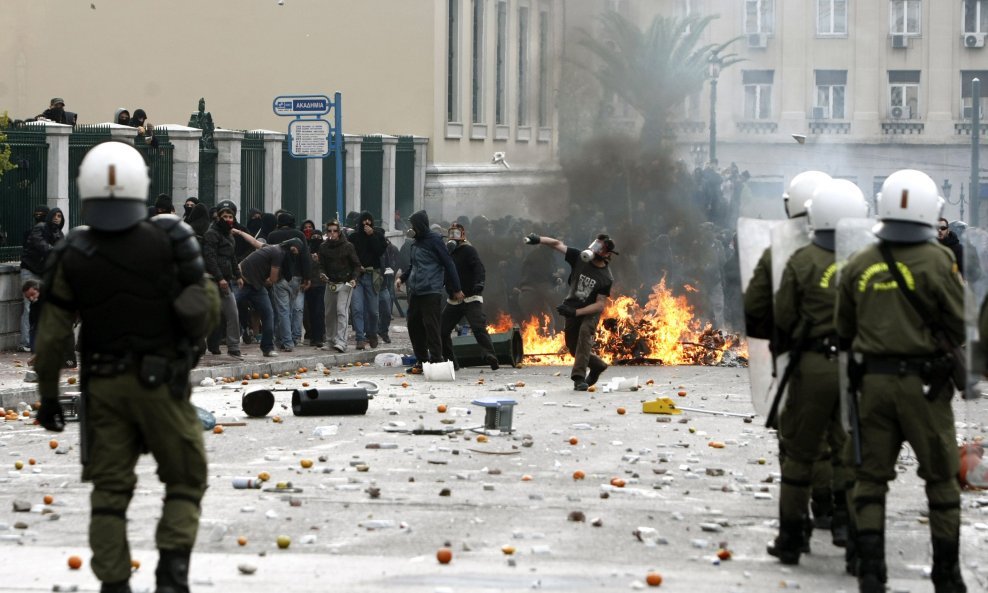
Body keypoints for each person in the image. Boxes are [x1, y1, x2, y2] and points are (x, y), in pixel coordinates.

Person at [34, 141, 219, 593]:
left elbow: (54, 337)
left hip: (104, 386)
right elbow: (203, 312)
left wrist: (49, 398)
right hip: (162, 385)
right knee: (185, 477)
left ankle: (114, 583)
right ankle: (172, 575)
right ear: (142, 187)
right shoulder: (171, 240)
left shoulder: (73, 251)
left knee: (109, 493)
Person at [835, 169, 966, 593]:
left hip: (872, 386)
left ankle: (871, 571)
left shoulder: (859, 262)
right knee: (941, 480)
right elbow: (961, 322)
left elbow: (844, 328)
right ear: (931, 212)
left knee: (871, 479)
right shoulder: (939, 261)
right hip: (925, 390)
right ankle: (946, 574)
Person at [767, 179, 868, 566]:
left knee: (799, 453)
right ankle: (851, 531)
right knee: (852, 451)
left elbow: (783, 317)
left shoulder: (802, 260)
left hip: (810, 366)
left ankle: (793, 538)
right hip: (855, 367)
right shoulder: (869, 261)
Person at [524, 232, 614, 390]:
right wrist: (538, 239)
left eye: (599, 248)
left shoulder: (606, 277)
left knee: (585, 332)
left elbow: (600, 305)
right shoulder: (579, 257)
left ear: (606, 254)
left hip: (589, 311)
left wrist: (577, 313)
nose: (594, 250)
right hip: (572, 305)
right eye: (594, 245)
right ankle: (598, 365)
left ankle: (579, 378)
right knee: (573, 348)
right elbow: (557, 244)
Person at [398, 210, 462, 373]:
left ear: (419, 225)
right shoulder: (416, 242)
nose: (411, 228)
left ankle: (436, 361)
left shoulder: (435, 241)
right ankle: (422, 361)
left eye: (413, 225)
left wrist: (456, 289)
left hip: (431, 291)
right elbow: (413, 266)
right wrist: (403, 278)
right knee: (413, 325)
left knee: (431, 326)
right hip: (416, 292)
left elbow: (448, 264)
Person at [440, 222, 499, 370]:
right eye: (451, 233)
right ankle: (451, 362)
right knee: (442, 330)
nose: (453, 236)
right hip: (454, 299)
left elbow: (479, 268)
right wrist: (449, 289)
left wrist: (479, 284)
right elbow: (446, 272)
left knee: (478, 327)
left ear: (463, 235)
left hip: (470, 297)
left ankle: (490, 355)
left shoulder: (469, 250)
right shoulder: (447, 252)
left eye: (456, 233)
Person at [237, 239, 303, 358]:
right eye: (293, 250)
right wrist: (272, 280)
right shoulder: (279, 252)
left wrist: (240, 233)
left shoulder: (273, 248)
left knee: (268, 314)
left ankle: (267, 348)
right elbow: (273, 279)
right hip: (242, 280)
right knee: (227, 310)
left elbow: (254, 242)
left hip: (257, 285)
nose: (293, 254)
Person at [203, 200, 244, 359]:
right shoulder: (211, 234)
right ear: (218, 217)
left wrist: (238, 275)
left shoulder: (229, 235)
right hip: (213, 280)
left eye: (230, 216)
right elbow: (210, 258)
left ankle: (233, 347)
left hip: (227, 281)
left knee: (232, 313)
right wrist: (219, 278)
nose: (228, 219)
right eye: (224, 216)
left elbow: (232, 257)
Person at [266, 212, 310, 351]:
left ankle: (286, 341)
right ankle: (283, 339)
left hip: (278, 276)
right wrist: (307, 277)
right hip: (296, 277)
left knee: (282, 310)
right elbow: (305, 257)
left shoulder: (272, 235)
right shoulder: (299, 235)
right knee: (288, 310)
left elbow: (268, 257)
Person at [318, 220, 362, 353]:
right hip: (330, 283)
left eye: (335, 231)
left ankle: (341, 341)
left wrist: (354, 279)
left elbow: (356, 265)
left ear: (339, 232)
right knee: (329, 313)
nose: (332, 233)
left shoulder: (348, 246)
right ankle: (331, 340)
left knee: (341, 311)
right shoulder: (323, 247)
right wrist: (322, 274)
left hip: (345, 282)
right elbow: (321, 265)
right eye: (330, 231)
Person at [348, 211, 387, 350]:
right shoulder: (353, 237)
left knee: (373, 310)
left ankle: (372, 333)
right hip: (357, 277)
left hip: (372, 276)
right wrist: (358, 267)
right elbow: (349, 255)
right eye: (363, 221)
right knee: (357, 309)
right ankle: (360, 337)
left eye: (369, 221)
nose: (366, 224)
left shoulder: (378, 236)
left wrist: (372, 236)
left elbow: (379, 251)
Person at [18, 205, 52, 352]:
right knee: (29, 306)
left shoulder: (54, 233)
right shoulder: (32, 233)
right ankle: (25, 342)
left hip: (43, 272)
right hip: (31, 271)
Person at [302, 229, 326, 347]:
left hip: (322, 285)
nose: (316, 239)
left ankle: (319, 336)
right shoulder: (307, 251)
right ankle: (312, 335)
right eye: (313, 236)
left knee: (319, 312)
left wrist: (319, 260)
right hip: (310, 286)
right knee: (310, 313)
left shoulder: (325, 251)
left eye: (318, 236)